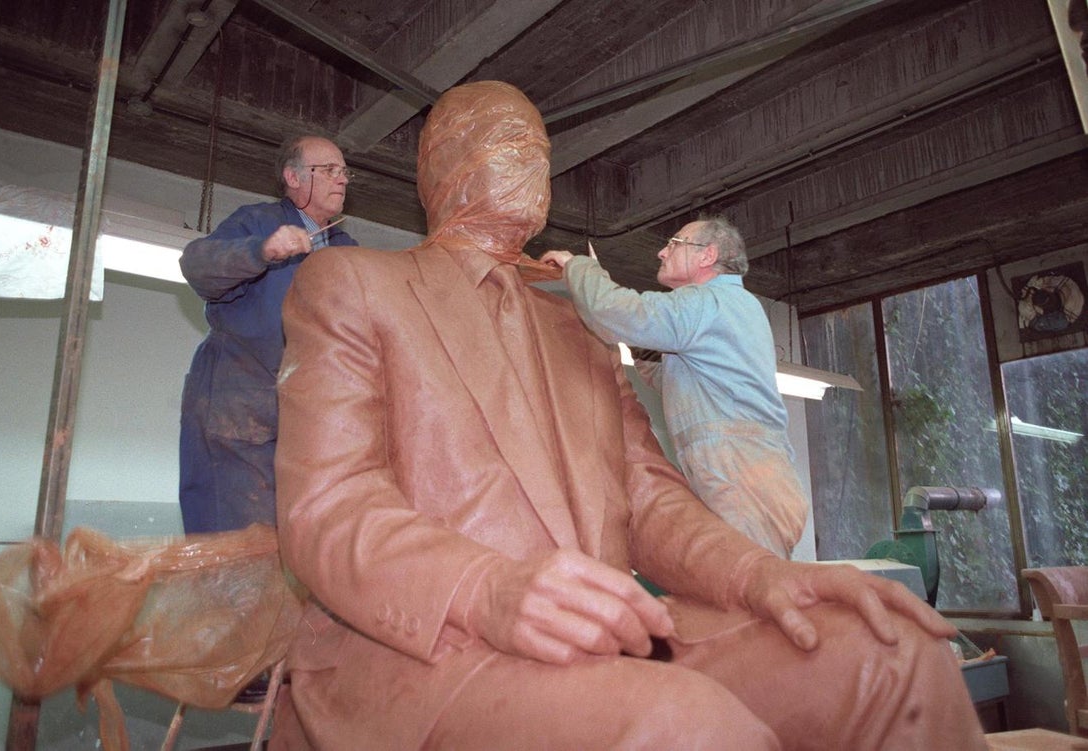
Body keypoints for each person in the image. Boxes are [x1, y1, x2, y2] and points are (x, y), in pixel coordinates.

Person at [270, 81, 986, 750]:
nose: (536, 162)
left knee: (900, 654)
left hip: (609, 638)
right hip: (436, 647)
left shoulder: (578, 329)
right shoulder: (354, 284)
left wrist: (758, 574)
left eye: (541, 152)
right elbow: (329, 504)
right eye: (510, 141)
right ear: (443, 161)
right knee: (685, 728)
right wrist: (484, 588)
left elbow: (649, 498)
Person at [542, 219, 807, 558]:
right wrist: (635, 342)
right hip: (744, 467)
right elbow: (673, 378)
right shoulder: (727, 308)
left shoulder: (709, 303)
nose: (661, 251)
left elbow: (618, 312)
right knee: (735, 584)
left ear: (707, 255)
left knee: (751, 591)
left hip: (740, 470)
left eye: (675, 242)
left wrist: (579, 268)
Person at [178, 135, 357, 535]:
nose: (341, 179)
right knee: (235, 543)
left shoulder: (346, 250)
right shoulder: (258, 222)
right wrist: (262, 250)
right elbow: (197, 265)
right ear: (292, 177)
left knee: (301, 549)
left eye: (344, 171)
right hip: (240, 406)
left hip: (308, 416)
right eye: (328, 170)